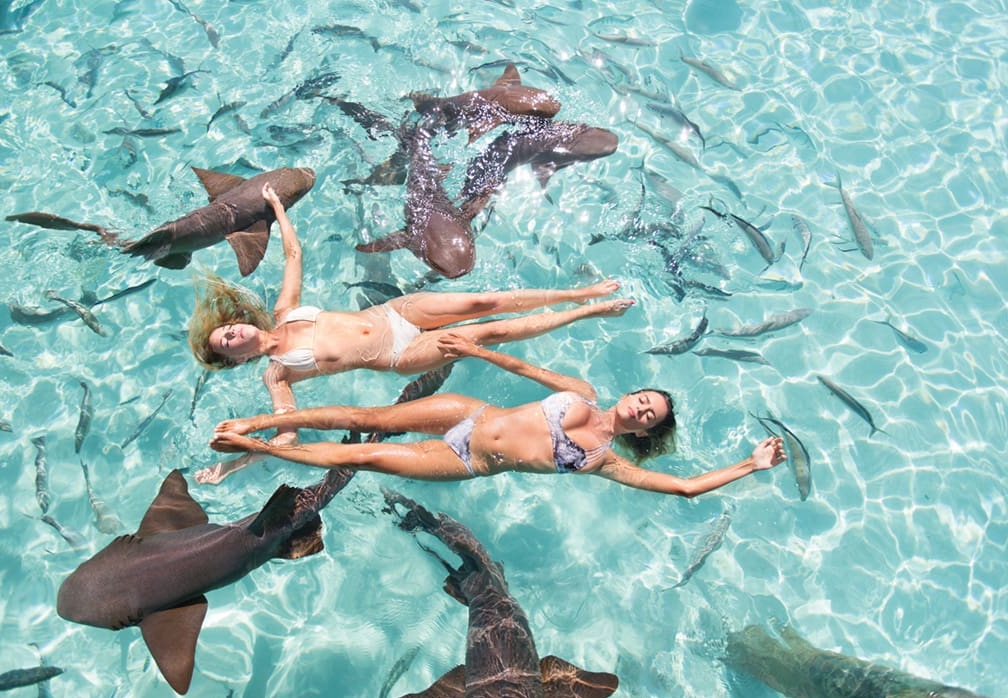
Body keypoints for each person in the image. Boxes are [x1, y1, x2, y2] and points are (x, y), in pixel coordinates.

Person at [190, 183, 632, 484]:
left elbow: (293, 254)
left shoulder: (284, 311)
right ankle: (586, 312)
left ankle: (577, 293)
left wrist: (279, 209)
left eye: (228, 327)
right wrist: (235, 464)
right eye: (228, 342)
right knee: (489, 333)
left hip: (396, 312)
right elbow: (287, 433)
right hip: (403, 353)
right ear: (238, 359)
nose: (235, 331)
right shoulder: (277, 375)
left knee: (485, 301)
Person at [209, 333, 786, 496]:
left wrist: (749, 466)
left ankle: (253, 446)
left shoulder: (602, 461)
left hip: (466, 457)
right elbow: (530, 374)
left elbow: (681, 487)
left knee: (362, 453)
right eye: (644, 397)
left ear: (646, 430)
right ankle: (258, 424)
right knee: (370, 414)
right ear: (634, 393)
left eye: (649, 414)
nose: (640, 406)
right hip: (471, 409)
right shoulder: (582, 390)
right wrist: (476, 351)